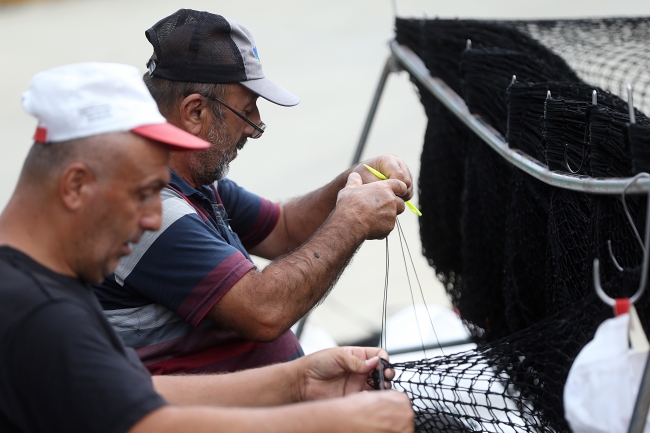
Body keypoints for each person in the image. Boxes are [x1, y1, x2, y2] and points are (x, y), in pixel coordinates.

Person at [0, 62, 414, 433]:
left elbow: (135, 389)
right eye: (143, 193)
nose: (151, 219)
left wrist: (300, 381)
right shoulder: (35, 312)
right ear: (76, 186)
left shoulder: (48, 286)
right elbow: (146, 423)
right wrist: (332, 421)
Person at [94, 9, 415, 375]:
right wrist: (352, 220)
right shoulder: (147, 207)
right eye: (247, 112)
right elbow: (263, 312)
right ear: (195, 112)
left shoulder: (194, 182)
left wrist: (352, 182)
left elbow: (283, 228)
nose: (256, 127)